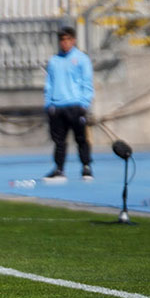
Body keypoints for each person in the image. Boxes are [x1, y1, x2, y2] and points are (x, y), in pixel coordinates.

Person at [43, 26, 94, 181]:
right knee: (59, 141)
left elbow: (87, 83)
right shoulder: (54, 61)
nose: (64, 43)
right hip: (57, 106)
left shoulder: (81, 59)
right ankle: (59, 169)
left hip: (75, 105)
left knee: (81, 138)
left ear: (73, 40)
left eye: (67, 40)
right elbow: (49, 84)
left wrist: (84, 103)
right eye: (62, 40)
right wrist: (48, 104)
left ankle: (86, 167)